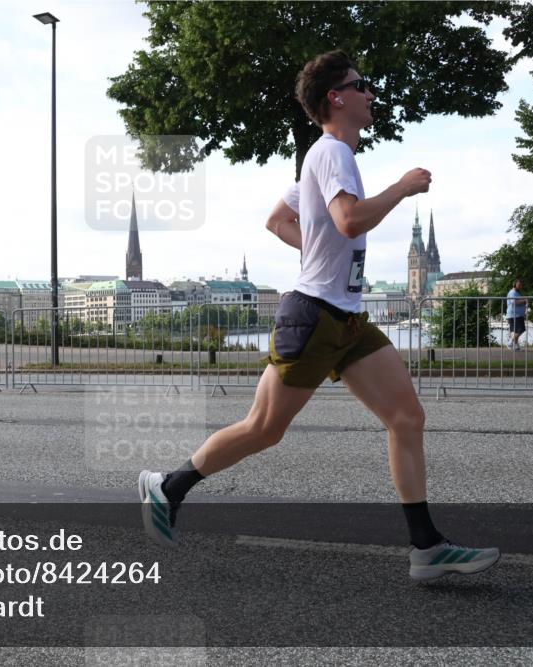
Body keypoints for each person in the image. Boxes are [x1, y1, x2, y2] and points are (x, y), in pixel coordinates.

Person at [138, 50, 499, 581]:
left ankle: (426, 548)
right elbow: (348, 220)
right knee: (264, 429)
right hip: (313, 317)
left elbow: (278, 219)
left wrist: (319, 249)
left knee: (406, 417)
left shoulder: (326, 158)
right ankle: (168, 487)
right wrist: (401, 188)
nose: (370, 93)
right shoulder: (332, 151)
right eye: (361, 84)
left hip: (347, 320)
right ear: (337, 98)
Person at [506, 279, 528, 351]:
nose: (520, 286)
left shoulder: (516, 293)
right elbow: (514, 302)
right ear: (514, 285)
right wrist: (524, 301)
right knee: (521, 329)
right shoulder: (513, 292)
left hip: (515, 314)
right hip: (515, 315)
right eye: (519, 285)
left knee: (515, 331)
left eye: (521, 285)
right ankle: (510, 342)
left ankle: (516, 347)